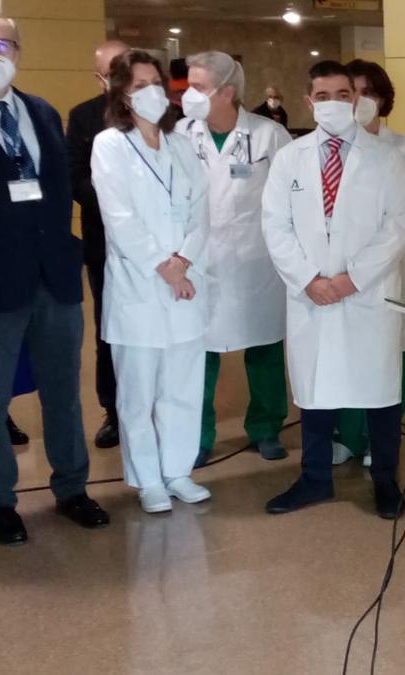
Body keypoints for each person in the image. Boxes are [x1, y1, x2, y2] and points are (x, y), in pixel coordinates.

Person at [0, 11, 110, 544]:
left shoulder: (44, 113)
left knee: (63, 393)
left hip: (54, 277)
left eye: (5, 43)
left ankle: (72, 487)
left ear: (19, 51)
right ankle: (0, 500)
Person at [261, 60, 405, 517]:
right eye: (322, 97)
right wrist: (309, 280)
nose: (332, 104)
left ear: (357, 100)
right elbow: (275, 224)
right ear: (308, 102)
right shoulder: (291, 157)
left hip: (367, 292)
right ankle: (314, 479)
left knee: (379, 389)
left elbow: (397, 226)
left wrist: (350, 279)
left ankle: (385, 479)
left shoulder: (387, 157)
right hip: (311, 295)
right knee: (316, 388)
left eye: (342, 95)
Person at [91, 49, 212, 514]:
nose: (151, 93)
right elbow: (118, 218)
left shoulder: (181, 144)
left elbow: (202, 210)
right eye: (139, 85)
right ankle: (148, 479)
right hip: (140, 286)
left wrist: (183, 260)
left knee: (182, 385)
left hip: (186, 283)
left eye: (155, 82)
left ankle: (178, 470)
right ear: (121, 93)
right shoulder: (109, 145)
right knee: (138, 392)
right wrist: (164, 266)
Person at [176, 51, 292, 467]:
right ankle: (199, 434)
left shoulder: (268, 136)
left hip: (255, 261)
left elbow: (290, 199)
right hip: (198, 260)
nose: (189, 95)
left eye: (199, 87)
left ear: (227, 92)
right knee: (199, 353)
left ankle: (265, 427)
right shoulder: (180, 133)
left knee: (263, 346)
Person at [331, 59, 405, 468]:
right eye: (355, 92)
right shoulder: (333, 147)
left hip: (387, 271)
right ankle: (348, 437)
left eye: (370, 92)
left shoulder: (402, 149)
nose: (362, 101)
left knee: (387, 353)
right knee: (345, 353)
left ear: (383, 100)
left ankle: (379, 441)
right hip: (340, 273)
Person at [66, 38, 129, 450]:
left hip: (160, 248)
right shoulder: (84, 117)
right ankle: (114, 410)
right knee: (109, 329)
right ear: (100, 77)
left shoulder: (162, 115)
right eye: (113, 71)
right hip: (105, 243)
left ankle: (156, 406)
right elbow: (76, 180)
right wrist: (122, 201)